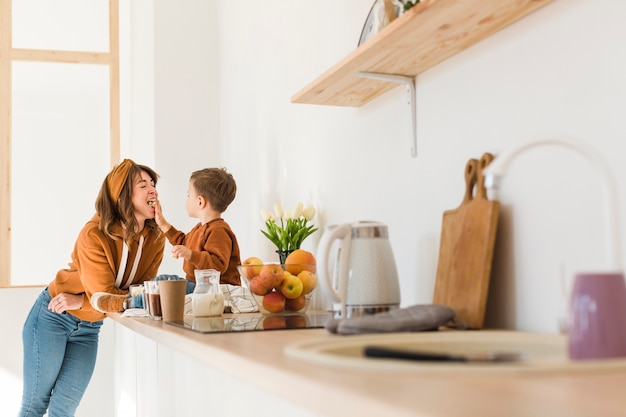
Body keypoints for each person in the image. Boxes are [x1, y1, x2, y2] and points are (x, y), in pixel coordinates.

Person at [19, 159, 166, 417]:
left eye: (153, 184)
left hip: (90, 326)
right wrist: (96, 301)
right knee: (35, 406)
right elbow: (105, 297)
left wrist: (83, 302)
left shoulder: (155, 239)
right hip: (54, 317)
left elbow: (141, 291)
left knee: (64, 409)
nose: (153, 190)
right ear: (121, 196)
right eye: (143, 185)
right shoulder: (94, 234)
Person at [154, 167, 241, 290]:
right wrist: (163, 223)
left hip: (213, 289)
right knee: (162, 281)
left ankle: (131, 302)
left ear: (200, 201)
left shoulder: (219, 231)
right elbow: (184, 242)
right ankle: (133, 298)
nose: (187, 199)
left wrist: (190, 255)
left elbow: (217, 265)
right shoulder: (201, 228)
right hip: (196, 285)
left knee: (164, 286)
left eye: (189, 195)